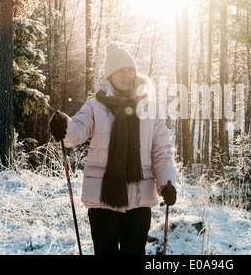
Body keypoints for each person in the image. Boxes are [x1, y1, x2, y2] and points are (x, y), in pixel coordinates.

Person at [49, 43, 177, 255]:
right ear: (109, 74)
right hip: (103, 201)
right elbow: (76, 131)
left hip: (139, 202)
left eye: (130, 69)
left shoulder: (151, 109)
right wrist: (64, 124)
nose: (127, 74)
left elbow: (161, 152)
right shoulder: (94, 107)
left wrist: (166, 184)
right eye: (120, 70)